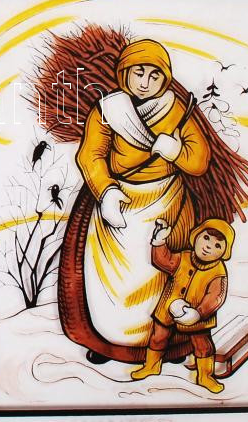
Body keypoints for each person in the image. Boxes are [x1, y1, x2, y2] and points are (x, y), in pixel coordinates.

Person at [58, 39, 212, 365]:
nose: (145, 82)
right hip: (118, 203)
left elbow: (199, 160)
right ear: (124, 73)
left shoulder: (176, 111)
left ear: (165, 78)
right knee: (110, 280)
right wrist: (107, 192)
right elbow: (91, 155)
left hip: (167, 201)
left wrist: (175, 150)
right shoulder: (108, 110)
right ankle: (110, 344)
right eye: (138, 73)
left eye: (154, 76)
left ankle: (166, 345)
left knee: (161, 275)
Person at [131, 218, 233, 393]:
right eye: (206, 238)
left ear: (224, 252)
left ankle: (205, 376)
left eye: (217, 245)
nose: (208, 247)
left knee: (203, 345)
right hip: (168, 308)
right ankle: (151, 366)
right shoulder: (183, 257)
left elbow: (215, 297)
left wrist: (198, 313)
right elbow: (163, 261)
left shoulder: (218, 272)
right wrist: (159, 241)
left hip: (198, 316)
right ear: (196, 236)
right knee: (157, 337)